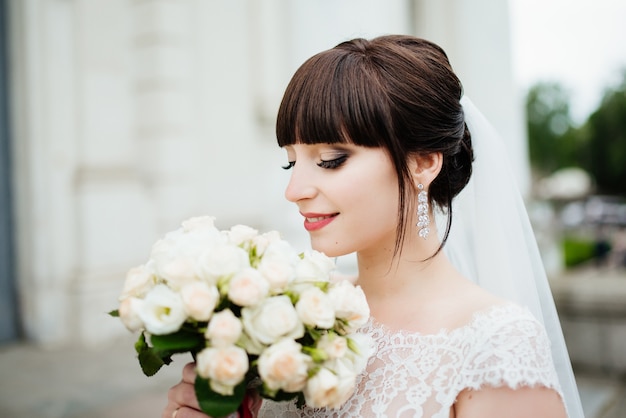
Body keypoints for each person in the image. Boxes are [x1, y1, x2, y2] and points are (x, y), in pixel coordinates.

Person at [163, 35, 584, 418]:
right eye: (292, 161)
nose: (294, 190)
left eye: (330, 160)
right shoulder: (291, 314)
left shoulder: (496, 346)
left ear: (423, 162)